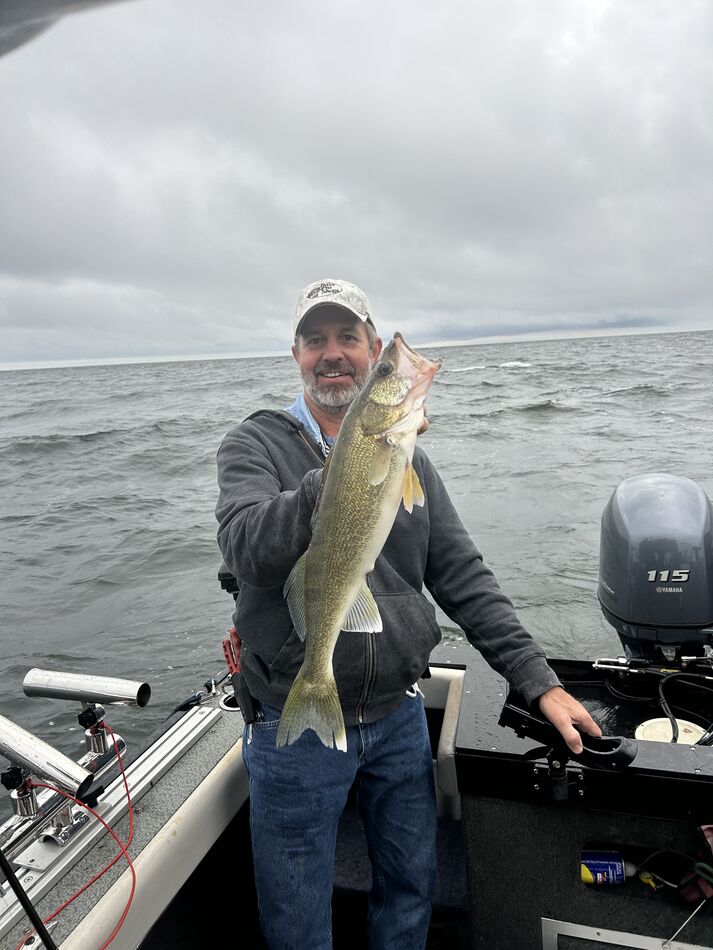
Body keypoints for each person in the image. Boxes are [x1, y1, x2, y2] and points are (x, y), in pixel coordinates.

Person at [215, 277, 601, 950]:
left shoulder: (409, 459)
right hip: (291, 715)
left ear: (367, 352)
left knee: (411, 888)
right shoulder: (252, 445)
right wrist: (342, 471)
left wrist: (538, 680)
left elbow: (462, 575)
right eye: (314, 340)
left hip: (397, 715)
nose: (331, 354)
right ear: (295, 354)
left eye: (349, 339)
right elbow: (244, 547)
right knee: (295, 914)